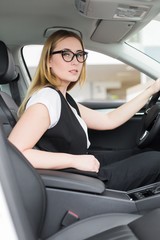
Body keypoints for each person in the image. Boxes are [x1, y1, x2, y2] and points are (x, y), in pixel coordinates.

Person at [8, 29, 160, 191]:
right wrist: (74, 160)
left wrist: (151, 90)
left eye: (79, 54)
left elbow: (108, 120)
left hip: (85, 169)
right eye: (66, 54)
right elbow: (15, 152)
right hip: (83, 180)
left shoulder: (63, 98)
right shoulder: (47, 99)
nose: (75, 61)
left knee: (146, 152)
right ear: (49, 61)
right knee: (156, 160)